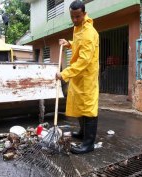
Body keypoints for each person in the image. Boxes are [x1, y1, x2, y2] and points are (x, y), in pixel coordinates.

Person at [56, 0, 99, 154]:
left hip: (86, 76)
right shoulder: (79, 28)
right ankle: (82, 133)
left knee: (88, 108)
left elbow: (84, 59)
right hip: (78, 75)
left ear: (84, 13)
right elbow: (79, 45)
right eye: (72, 16)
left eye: (78, 16)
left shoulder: (88, 32)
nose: (74, 20)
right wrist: (69, 44)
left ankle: (89, 144)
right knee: (80, 106)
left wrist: (64, 73)